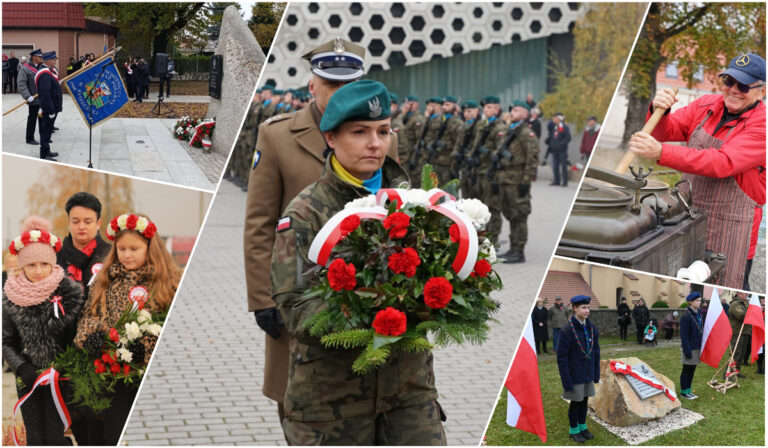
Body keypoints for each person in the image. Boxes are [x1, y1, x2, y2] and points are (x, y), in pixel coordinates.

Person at [271, 80, 445, 445]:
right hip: (331, 406)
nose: (375, 143)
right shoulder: (305, 213)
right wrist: (378, 308)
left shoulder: (415, 205)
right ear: (331, 138)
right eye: (360, 132)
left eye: (383, 131)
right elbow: (297, 310)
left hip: (409, 397)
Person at [243, 38, 398, 430]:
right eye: (331, 85)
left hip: (373, 297)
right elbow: (261, 223)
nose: (341, 94)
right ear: (312, 86)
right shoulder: (278, 135)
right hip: (302, 295)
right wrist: (262, 297)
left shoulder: (383, 137)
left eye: (350, 85)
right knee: (299, 405)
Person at [628, 53, 766, 290]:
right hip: (687, 214)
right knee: (688, 287)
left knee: (725, 292)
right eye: (729, 81)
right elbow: (665, 131)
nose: (733, 90)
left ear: (761, 91)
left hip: (732, 227)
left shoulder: (762, 126)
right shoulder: (705, 105)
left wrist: (662, 152)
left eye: (743, 86)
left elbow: (723, 163)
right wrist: (659, 109)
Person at [74, 213, 180, 445]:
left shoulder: (166, 283)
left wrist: (144, 348)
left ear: (149, 248)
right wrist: (97, 336)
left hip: (140, 374)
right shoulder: (105, 279)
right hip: (107, 370)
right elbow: (88, 316)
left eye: (134, 248)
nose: (127, 255)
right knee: (103, 434)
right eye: (121, 249)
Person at [2, 216, 85, 445]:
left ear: (53, 263)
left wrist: (64, 366)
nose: (39, 271)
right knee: (36, 436)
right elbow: (6, 341)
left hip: (59, 378)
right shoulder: (10, 298)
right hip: (27, 378)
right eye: (31, 265)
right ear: (21, 265)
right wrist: (21, 366)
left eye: (44, 264)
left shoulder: (69, 294)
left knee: (55, 434)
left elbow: (75, 337)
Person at [496, 100, 539, 263]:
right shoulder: (510, 131)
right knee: (511, 214)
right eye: (511, 109)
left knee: (520, 216)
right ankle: (513, 249)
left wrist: (525, 182)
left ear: (525, 114)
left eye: (516, 109)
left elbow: (532, 159)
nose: (512, 112)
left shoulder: (527, 134)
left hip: (518, 181)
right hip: (506, 180)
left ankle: (519, 251)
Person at [557, 295, 600, 444]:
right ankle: (573, 430)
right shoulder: (567, 331)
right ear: (575, 308)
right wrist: (566, 381)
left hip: (587, 374)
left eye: (588, 307)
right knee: (575, 403)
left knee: (584, 401)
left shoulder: (592, 328)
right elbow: (562, 359)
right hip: (574, 375)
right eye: (583, 307)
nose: (587, 310)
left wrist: (595, 374)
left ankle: (583, 427)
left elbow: (596, 353)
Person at [56, 192, 112, 297]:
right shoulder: (56, 257)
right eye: (76, 222)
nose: (81, 227)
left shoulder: (110, 254)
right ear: (69, 222)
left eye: (87, 222)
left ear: (98, 223)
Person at [35, 51, 61, 161]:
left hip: (52, 107)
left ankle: (47, 150)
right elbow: (45, 94)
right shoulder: (44, 74)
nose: (55, 61)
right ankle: (44, 154)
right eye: (54, 59)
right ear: (48, 60)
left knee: (48, 130)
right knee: (45, 131)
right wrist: (50, 110)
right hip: (48, 108)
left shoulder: (49, 72)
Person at [679, 292, 703, 399]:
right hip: (689, 347)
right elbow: (684, 336)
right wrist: (687, 350)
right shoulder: (686, 316)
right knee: (686, 370)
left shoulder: (698, 313)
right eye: (697, 301)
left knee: (692, 370)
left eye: (700, 301)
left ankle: (689, 390)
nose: (699, 303)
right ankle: (684, 391)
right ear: (690, 302)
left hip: (697, 346)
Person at [18, 48, 43, 146]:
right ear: (33, 57)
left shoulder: (42, 67)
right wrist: (27, 96)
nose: (41, 58)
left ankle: (44, 136)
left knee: (43, 118)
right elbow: (21, 83)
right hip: (33, 98)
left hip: (43, 98)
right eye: (39, 56)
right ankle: (29, 138)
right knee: (32, 118)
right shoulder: (25, 68)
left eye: (41, 56)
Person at [727, 293, 750, 378]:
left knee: (742, 354)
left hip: (745, 331)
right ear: (739, 294)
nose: (747, 294)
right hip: (737, 331)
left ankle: (736, 371)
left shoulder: (745, 303)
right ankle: (728, 373)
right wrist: (751, 311)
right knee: (735, 353)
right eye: (745, 293)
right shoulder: (735, 303)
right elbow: (741, 315)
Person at [546, 113, 571, 186]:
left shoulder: (564, 127)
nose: (553, 119)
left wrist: (560, 144)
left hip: (562, 150)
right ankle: (557, 180)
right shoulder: (555, 127)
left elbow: (568, 138)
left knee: (563, 166)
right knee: (555, 166)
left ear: (558, 118)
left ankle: (565, 181)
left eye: (554, 118)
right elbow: (554, 136)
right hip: (555, 150)